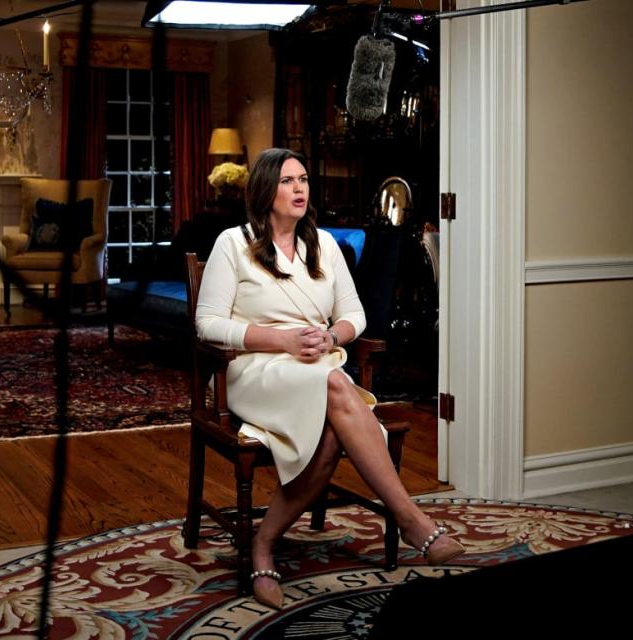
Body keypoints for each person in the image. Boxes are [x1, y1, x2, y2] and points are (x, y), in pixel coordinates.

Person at [195, 148, 464, 609]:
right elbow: (208, 324)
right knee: (337, 385)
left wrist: (329, 334)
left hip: (313, 365)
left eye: (303, 179)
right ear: (264, 189)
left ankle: (262, 545)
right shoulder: (233, 243)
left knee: (330, 426)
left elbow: (354, 315)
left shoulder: (322, 245)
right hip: (254, 370)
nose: (299, 188)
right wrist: (282, 343)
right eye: (287, 181)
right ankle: (412, 520)